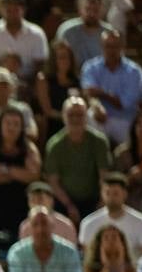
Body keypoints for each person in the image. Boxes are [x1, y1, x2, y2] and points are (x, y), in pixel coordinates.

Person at [0, 104, 40, 252]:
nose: (11, 128)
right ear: (0, 125)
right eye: (8, 123)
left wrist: (5, 169)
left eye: (16, 124)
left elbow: (33, 175)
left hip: (21, 205)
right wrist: (18, 174)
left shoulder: (29, 148)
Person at [45, 97, 114, 226]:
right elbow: (53, 182)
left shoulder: (99, 142)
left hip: (93, 198)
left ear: (86, 117)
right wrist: (69, 205)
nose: (75, 119)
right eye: (71, 115)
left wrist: (102, 201)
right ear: (64, 116)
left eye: (80, 115)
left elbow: (104, 176)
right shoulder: (54, 145)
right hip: (64, 200)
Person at [7, 206, 85, 272]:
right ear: (29, 228)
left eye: (44, 223)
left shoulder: (69, 253)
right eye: (35, 224)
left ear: (52, 226)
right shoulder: (17, 253)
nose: (40, 230)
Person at [82, 29, 142, 145]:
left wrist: (101, 93)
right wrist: (97, 106)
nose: (111, 50)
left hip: (125, 120)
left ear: (122, 47)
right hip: (100, 118)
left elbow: (123, 104)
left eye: (115, 46)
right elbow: (89, 92)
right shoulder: (90, 67)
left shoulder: (134, 71)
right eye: (107, 46)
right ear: (101, 46)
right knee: (91, 115)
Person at [79, 173, 142, 261]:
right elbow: (88, 259)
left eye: (115, 193)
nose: (111, 198)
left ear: (124, 194)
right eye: (107, 193)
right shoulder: (89, 223)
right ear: (102, 193)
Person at [0, 0, 47, 80]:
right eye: (8, 9)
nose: (12, 13)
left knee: (41, 78)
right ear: (1, 9)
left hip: (29, 81)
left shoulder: (37, 33)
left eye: (16, 9)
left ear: (24, 10)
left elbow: (40, 65)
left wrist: (25, 82)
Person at [57, 0, 117, 77]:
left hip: (101, 80)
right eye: (88, 9)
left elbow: (115, 61)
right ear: (80, 9)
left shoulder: (109, 33)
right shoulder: (67, 31)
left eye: (95, 10)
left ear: (102, 9)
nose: (92, 14)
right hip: (73, 80)